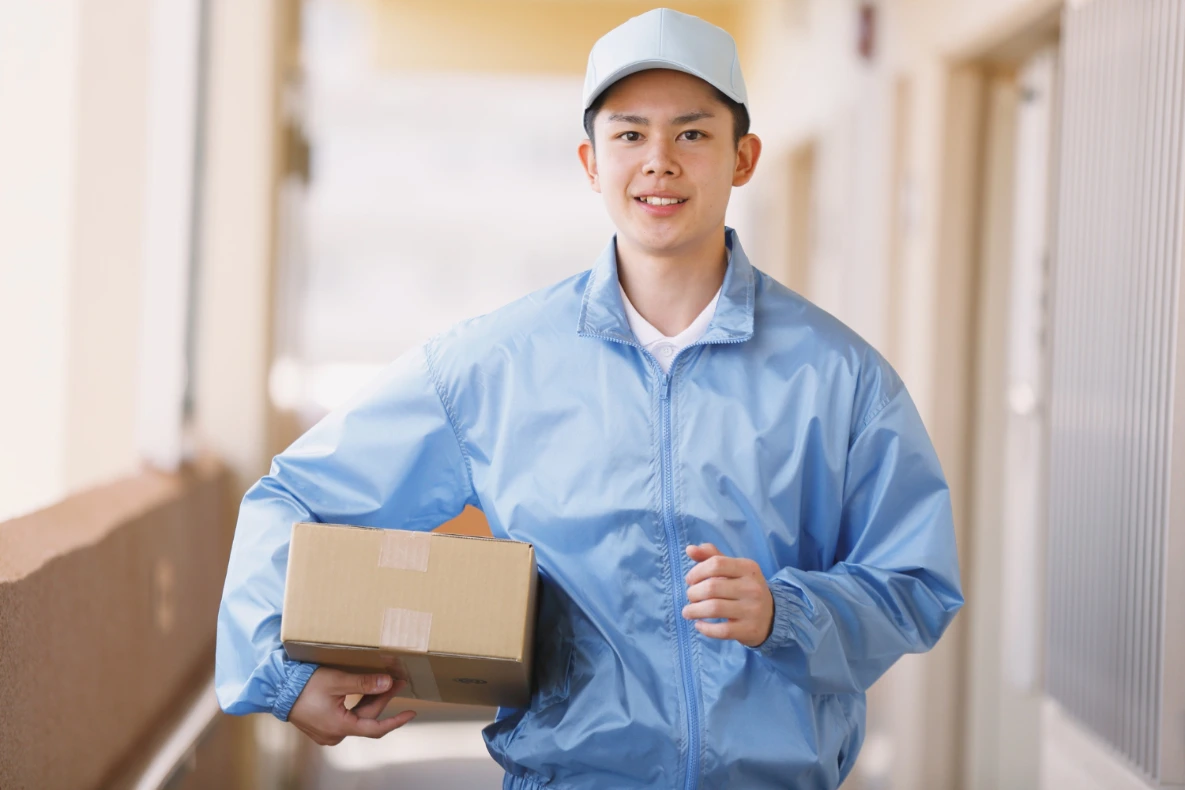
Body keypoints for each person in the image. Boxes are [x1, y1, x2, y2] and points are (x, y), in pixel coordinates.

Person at [215, 8, 963, 789]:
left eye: (693, 134)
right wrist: (282, 668)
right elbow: (292, 496)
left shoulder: (838, 377)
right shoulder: (493, 366)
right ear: (589, 160)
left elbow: (914, 583)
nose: (659, 162)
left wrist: (788, 612)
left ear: (743, 158)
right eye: (629, 134)